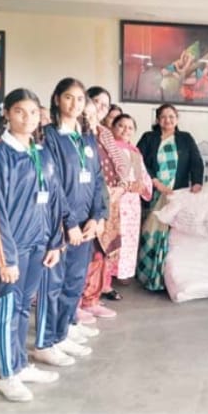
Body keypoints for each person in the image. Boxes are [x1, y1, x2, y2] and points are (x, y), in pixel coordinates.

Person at [0, 88, 63, 402]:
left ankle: (20, 364)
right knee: (9, 307)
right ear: (7, 113)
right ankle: (7, 375)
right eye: (19, 111)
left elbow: (53, 199)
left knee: (23, 306)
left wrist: (55, 242)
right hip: (12, 248)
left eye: (33, 112)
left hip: (39, 244)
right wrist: (5, 258)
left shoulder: (40, 152)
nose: (27, 118)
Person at [33, 78, 107, 366]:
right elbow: (52, 184)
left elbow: (97, 179)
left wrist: (97, 217)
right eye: (68, 97)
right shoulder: (49, 136)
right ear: (56, 99)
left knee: (74, 281)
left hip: (85, 226)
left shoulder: (86, 138)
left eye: (79, 99)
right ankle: (45, 341)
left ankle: (62, 332)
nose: (74, 104)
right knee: (52, 284)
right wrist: (69, 222)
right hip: (59, 226)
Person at [85, 114, 153, 307]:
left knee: (126, 242)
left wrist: (140, 187)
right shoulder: (108, 148)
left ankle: (113, 278)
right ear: (112, 128)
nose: (125, 130)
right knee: (108, 241)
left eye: (130, 127)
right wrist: (124, 187)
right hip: (115, 200)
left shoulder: (135, 152)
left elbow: (144, 180)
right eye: (121, 126)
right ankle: (102, 284)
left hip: (132, 204)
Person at [136, 104, 204, 291]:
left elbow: (196, 161)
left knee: (171, 237)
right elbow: (137, 160)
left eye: (171, 116)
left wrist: (197, 182)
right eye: (164, 117)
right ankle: (147, 275)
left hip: (176, 195)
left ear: (177, 118)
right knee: (150, 232)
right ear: (158, 120)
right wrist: (156, 182)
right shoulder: (149, 138)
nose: (168, 120)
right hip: (154, 193)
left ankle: (168, 279)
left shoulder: (185, 138)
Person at [77, 99, 126, 319]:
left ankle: (91, 300)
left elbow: (120, 165)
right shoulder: (74, 137)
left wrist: (121, 186)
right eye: (85, 114)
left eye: (93, 114)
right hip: (82, 204)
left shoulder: (104, 134)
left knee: (99, 253)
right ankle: (74, 304)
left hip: (107, 201)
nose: (89, 118)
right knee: (81, 255)